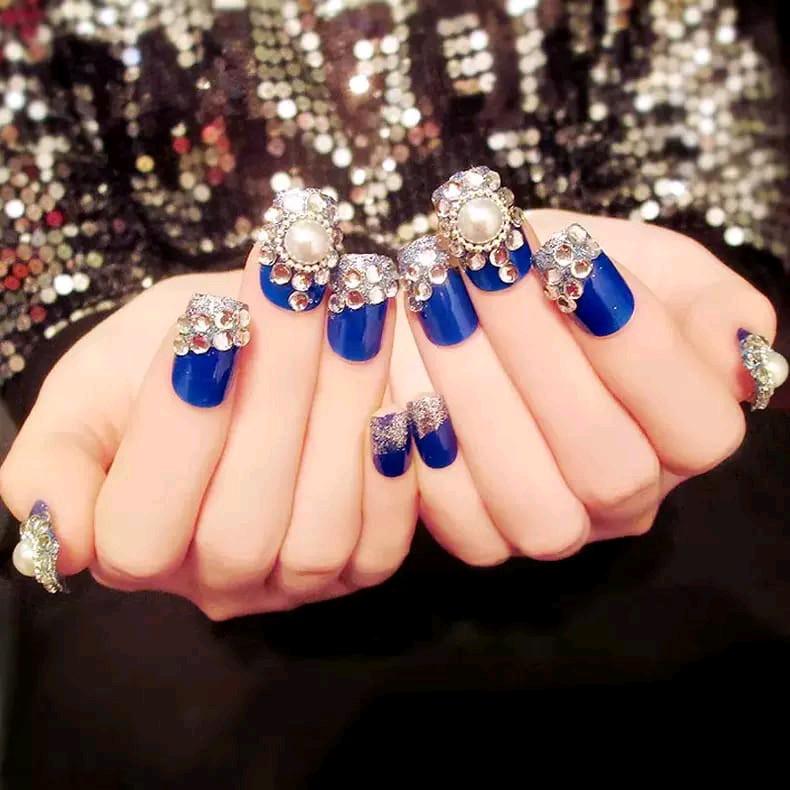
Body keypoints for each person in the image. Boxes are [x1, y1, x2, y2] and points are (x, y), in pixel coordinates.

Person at [0, 1, 788, 785]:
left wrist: (684, 307)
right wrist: (87, 358)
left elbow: (719, 153)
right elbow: (40, 244)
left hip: (668, 590)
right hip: (208, 669)